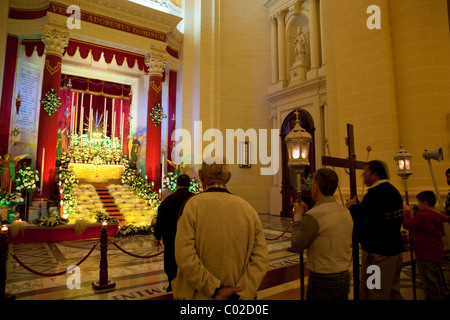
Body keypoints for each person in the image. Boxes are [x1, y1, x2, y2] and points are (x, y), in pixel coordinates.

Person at [172, 158, 269, 300]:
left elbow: (184, 256)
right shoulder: (248, 209)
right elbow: (261, 258)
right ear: (228, 178)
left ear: (201, 175)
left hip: (201, 296)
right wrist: (240, 293)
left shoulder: (192, 206)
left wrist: (214, 289)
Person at [290, 168, 354, 300]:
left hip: (323, 280)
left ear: (316, 188)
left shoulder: (314, 215)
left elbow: (296, 244)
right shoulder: (345, 211)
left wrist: (298, 215)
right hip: (344, 275)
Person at [346, 160, 404, 300]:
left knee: (374, 292)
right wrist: (360, 208)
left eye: (366, 172)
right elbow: (377, 216)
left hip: (378, 255)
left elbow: (364, 223)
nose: (362, 175)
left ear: (374, 175)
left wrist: (352, 208)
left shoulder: (374, 194)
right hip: (395, 251)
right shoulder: (393, 190)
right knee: (392, 292)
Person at [403, 191, 450, 300]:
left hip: (425, 254)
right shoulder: (437, 214)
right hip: (436, 252)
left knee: (429, 284)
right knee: (436, 281)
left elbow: (407, 224)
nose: (418, 206)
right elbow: (431, 231)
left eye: (419, 203)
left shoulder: (424, 215)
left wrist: (406, 211)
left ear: (425, 203)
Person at [154, 174, 194, 292]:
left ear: (177, 184)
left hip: (171, 239)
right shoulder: (194, 200)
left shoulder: (169, 200)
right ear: (189, 184)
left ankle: (172, 285)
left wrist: (157, 235)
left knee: (171, 264)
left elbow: (161, 217)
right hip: (190, 239)